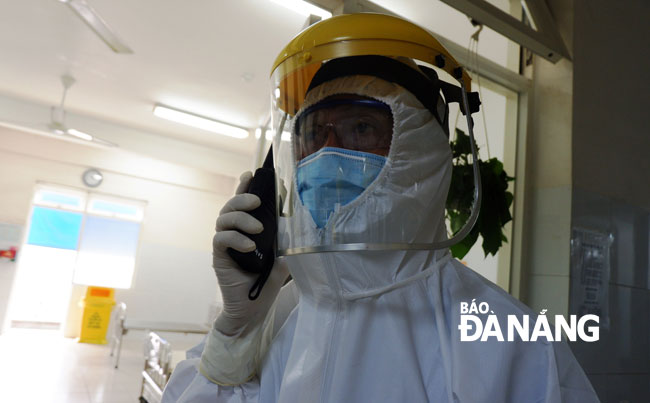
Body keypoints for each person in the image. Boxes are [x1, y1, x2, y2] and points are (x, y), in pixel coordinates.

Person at [162, 13, 599, 403]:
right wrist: (234, 333)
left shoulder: (508, 343)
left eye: (362, 126)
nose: (326, 153)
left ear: (422, 150)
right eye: (313, 134)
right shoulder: (275, 316)